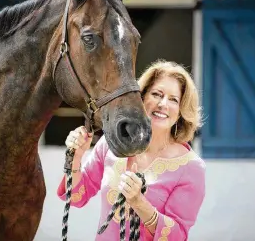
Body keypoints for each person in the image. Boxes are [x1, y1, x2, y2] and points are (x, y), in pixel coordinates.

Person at [57, 60, 206, 241]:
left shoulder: (191, 168)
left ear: (181, 110)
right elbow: (76, 197)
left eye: (173, 99)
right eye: (157, 94)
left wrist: (139, 203)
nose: (163, 104)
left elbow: (177, 236)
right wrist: (76, 157)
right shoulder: (112, 143)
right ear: (141, 98)